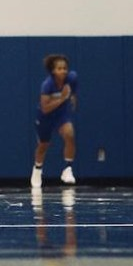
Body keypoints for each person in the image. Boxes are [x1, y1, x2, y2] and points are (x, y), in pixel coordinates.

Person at [32, 54, 79, 188]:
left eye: (65, 68)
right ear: (53, 70)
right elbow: (45, 108)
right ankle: (37, 169)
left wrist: (73, 97)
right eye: (59, 68)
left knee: (69, 134)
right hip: (45, 116)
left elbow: (73, 90)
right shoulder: (47, 85)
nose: (63, 71)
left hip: (61, 115)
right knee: (43, 145)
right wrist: (63, 98)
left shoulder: (72, 78)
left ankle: (68, 169)